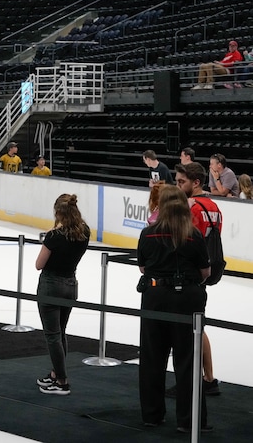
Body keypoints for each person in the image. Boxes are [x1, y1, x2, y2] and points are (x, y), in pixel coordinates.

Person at [137, 185, 211, 433]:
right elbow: (205, 272)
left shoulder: (148, 234)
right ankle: (189, 420)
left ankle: (151, 415)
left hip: (155, 296)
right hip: (186, 299)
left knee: (152, 357)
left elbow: (143, 268)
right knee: (188, 360)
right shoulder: (193, 235)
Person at [173, 162, 223, 397]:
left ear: (196, 183)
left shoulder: (192, 209)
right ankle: (209, 378)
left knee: (188, 330)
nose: (177, 185)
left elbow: (184, 240)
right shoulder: (214, 207)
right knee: (198, 327)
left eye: (181, 181)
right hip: (205, 271)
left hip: (188, 274)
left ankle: (189, 383)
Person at [35, 194, 90, 396]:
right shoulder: (84, 232)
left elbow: (39, 264)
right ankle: (56, 373)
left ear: (58, 213)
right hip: (70, 284)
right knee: (61, 332)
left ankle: (62, 380)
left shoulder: (54, 236)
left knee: (53, 335)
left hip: (51, 285)